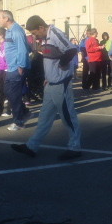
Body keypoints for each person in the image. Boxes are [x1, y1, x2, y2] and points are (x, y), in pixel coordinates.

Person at [11, 16, 82, 160]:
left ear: (42, 27)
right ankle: (32, 146)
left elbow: (71, 50)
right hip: (51, 84)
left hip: (61, 83)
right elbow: (51, 60)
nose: (34, 36)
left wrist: (62, 65)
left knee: (68, 116)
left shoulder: (55, 33)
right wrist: (48, 77)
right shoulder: (46, 38)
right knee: (44, 117)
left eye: (35, 33)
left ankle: (75, 147)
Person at [0, 10, 32, 131]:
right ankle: (24, 112)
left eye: (0, 18)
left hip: (17, 68)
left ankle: (19, 122)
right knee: (8, 92)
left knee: (14, 95)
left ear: (6, 19)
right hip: (11, 67)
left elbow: (23, 49)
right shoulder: (9, 31)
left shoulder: (16, 30)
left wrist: (21, 66)